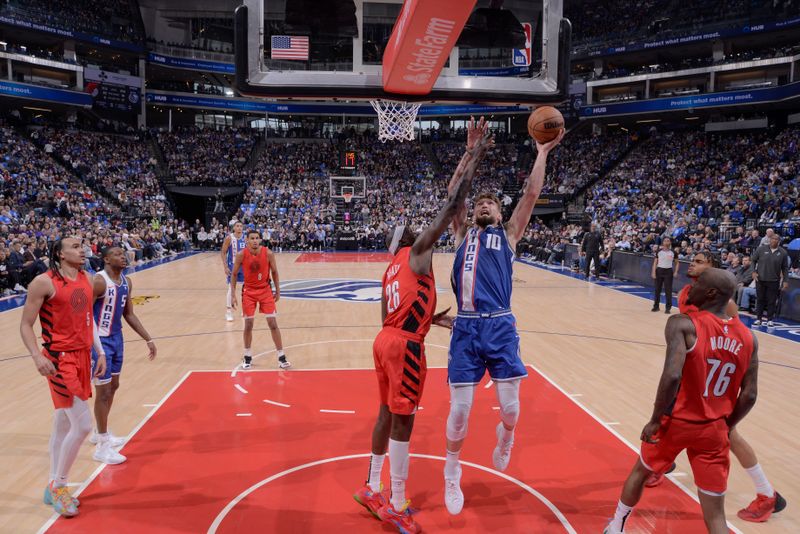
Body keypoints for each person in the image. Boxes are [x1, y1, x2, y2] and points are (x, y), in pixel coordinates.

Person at [353, 121, 492, 534]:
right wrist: (474, 155)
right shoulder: (417, 250)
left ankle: (371, 485)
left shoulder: (390, 270)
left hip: (384, 342)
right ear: (411, 238)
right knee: (404, 421)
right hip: (406, 347)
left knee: (384, 411)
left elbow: (387, 320)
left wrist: (428, 318)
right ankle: (396, 502)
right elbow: (452, 205)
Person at [442, 122, 564, 515]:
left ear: (499, 212)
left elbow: (531, 192)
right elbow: (453, 195)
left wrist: (542, 153)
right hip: (465, 326)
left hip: (499, 325)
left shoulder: (509, 233)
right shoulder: (461, 233)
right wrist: (469, 153)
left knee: (510, 410)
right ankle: (451, 472)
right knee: (459, 410)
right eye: (480, 202)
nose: (483, 204)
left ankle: (505, 436)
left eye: (491, 202)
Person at [605, 269, 759, 534]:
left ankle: (616, 526)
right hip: (713, 430)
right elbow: (749, 395)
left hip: (676, 422)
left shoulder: (683, 324)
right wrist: (726, 424)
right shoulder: (749, 338)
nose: (691, 287)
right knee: (716, 519)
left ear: (710, 293)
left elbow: (673, 375)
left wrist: (655, 419)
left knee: (641, 472)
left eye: (698, 284)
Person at [649, 251, 786, 523]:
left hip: (715, 376)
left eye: (699, 261)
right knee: (672, 414)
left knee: (727, 432)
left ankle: (767, 493)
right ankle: (660, 463)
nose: (693, 263)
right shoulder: (688, 292)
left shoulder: (725, 301)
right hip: (695, 372)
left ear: (711, 268)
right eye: (694, 260)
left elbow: (737, 337)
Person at [19, 237, 107, 517]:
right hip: (60, 360)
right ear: (59, 253)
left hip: (83, 357)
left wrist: (99, 352)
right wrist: (36, 356)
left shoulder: (88, 278)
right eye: (75, 246)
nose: (83, 249)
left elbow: (88, 319)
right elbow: (25, 324)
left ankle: (51, 486)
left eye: (83, 245)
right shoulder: (43, 283)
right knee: (82, 426)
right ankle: (60, 486)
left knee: (61, 424)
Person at [89, 247, 157, 465]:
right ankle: (102, 445)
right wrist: (90, 346)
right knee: (103, 391)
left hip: (117, 339)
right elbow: (84, 315)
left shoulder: (126, 282)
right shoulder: (98, 282)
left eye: (124, 253)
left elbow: (129, 314)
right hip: (100, 342)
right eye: (118, 253)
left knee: (114, 386)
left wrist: (148, 337)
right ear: (107, 259)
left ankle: (100, 431)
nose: (124, 256)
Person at [230, 230, 288, 370]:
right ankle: (247, 355)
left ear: (260, 240)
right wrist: (233, 294)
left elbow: (274, 272)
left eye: (257, 238)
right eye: (252, 238)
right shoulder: (241, 254)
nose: (255, 240)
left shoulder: (268, 253)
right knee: (248, 324)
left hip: (265, 290)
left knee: (272, 323)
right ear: (247, 240)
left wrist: (278, 290)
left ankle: (281, 356)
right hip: (249, 292)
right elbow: (234, 274)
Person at [750, 233, 790, 328]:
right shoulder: (761, 249)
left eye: (776, 239)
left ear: (779, 241)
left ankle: (770, 320)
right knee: (760, 299)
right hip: (760, 279)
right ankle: (758, 319)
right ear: (769, 240)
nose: (774, 240)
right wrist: (753, 272)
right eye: (772, 239)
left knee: (771, 301)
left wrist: (785, 280)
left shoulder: (783, 252)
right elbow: (753, 260)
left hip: (774, 280)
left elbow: (785, 268)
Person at [221, 221, 246, 321]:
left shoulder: (246, 238)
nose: (239, 228)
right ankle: (228, 312)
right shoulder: (229, 238)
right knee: (231, 289)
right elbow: (223, 252)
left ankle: (245, 310)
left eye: (241, 226)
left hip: (244, 267)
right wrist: (225, 266)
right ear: (234, 228)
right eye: (237, 226)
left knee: (246, 289)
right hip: (232, 266)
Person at [651, 237, 678, 313]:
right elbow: (655, 262)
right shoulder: (658, 251)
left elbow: (677, 263)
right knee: (657, 290)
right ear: (663, 242)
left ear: (670, 243)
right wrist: (653, 272)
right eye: (665, 241)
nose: (666, 242)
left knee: (668, 290)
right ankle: (656, 307)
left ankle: (668, 308)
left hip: (668, 271)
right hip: (659, 270)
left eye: (668, 241)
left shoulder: (673, 252)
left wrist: (675, 271)